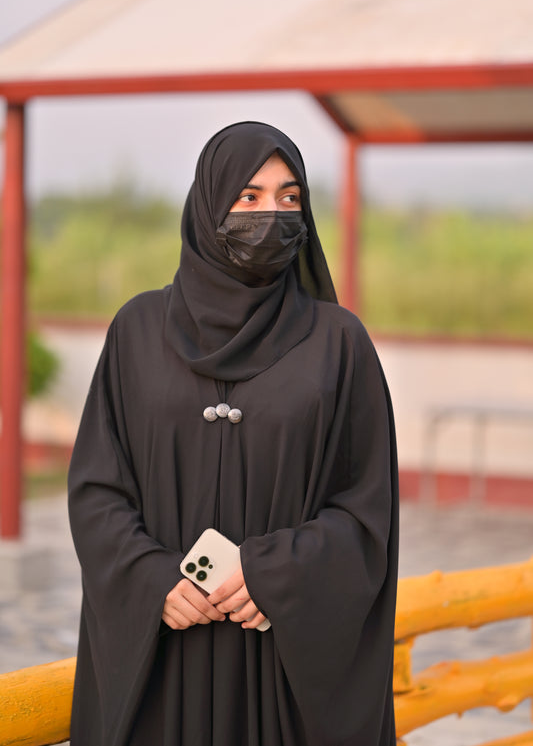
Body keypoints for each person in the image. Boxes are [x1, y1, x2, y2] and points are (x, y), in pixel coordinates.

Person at [68, 121, 399, 746]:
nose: (271, 214)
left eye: (288, 197)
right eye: (249, 196)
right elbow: (97, 489)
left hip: (282, 661)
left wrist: (276, 573)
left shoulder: (339, 342)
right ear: (208, 205)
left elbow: (366, 510)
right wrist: (152, 579)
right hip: (166, 651)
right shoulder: (136, 331)